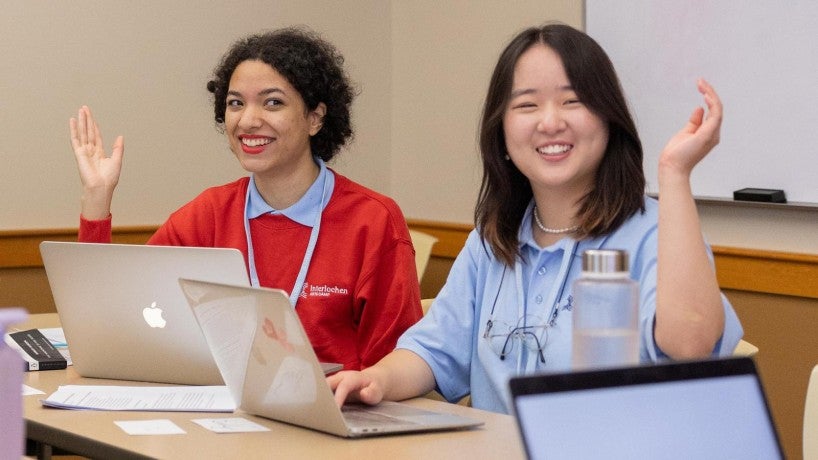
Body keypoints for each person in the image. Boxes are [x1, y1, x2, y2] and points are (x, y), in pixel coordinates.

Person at [328, 23, 743, 413]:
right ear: (502, 131)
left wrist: (674, 174)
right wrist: (376, 379)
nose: (550, 122)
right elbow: (434, 351)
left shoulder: (652, 232)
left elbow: (691, 346)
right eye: (527, 105)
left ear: (608, 118)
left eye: (572, 101)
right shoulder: (492, 239)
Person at [68, 27, 422, 371]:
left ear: (315, 118)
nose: (248, 120)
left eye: (273, 102)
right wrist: (97, 196)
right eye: (235, 103)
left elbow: (394, 366)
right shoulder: (209, 214)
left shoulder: (373, 220)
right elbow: (113, 314)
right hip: (223, 404)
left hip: (337, 407)